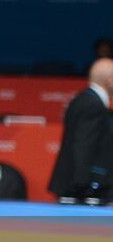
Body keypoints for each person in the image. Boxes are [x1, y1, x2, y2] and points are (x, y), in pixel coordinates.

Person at [48, 59, 113, 204]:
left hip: (77, 185)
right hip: (83, 189)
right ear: (110, 80)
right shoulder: (93, 104)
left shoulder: (82, 99)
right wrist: (84, 187)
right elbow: (84, 146)